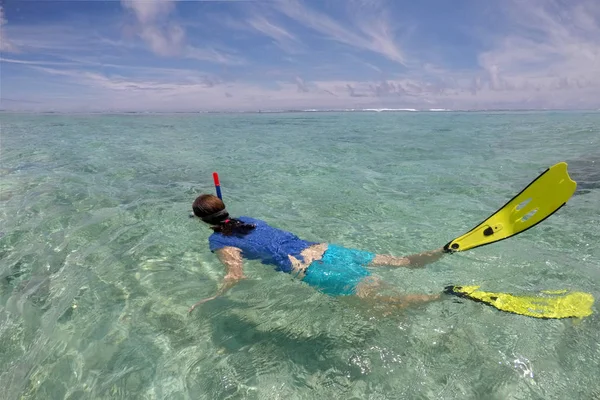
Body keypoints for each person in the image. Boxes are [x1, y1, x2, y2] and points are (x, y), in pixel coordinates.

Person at [188, 193, 449, 314]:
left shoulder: (219, 240)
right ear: (224, 209)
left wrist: (214, 296)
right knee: (400, 262)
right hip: (324, 249)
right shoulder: (248, 219)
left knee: (381, 304)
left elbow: (235, 275)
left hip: (307, 268)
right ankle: (441, 251)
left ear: (201, 220)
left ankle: (441, 296)